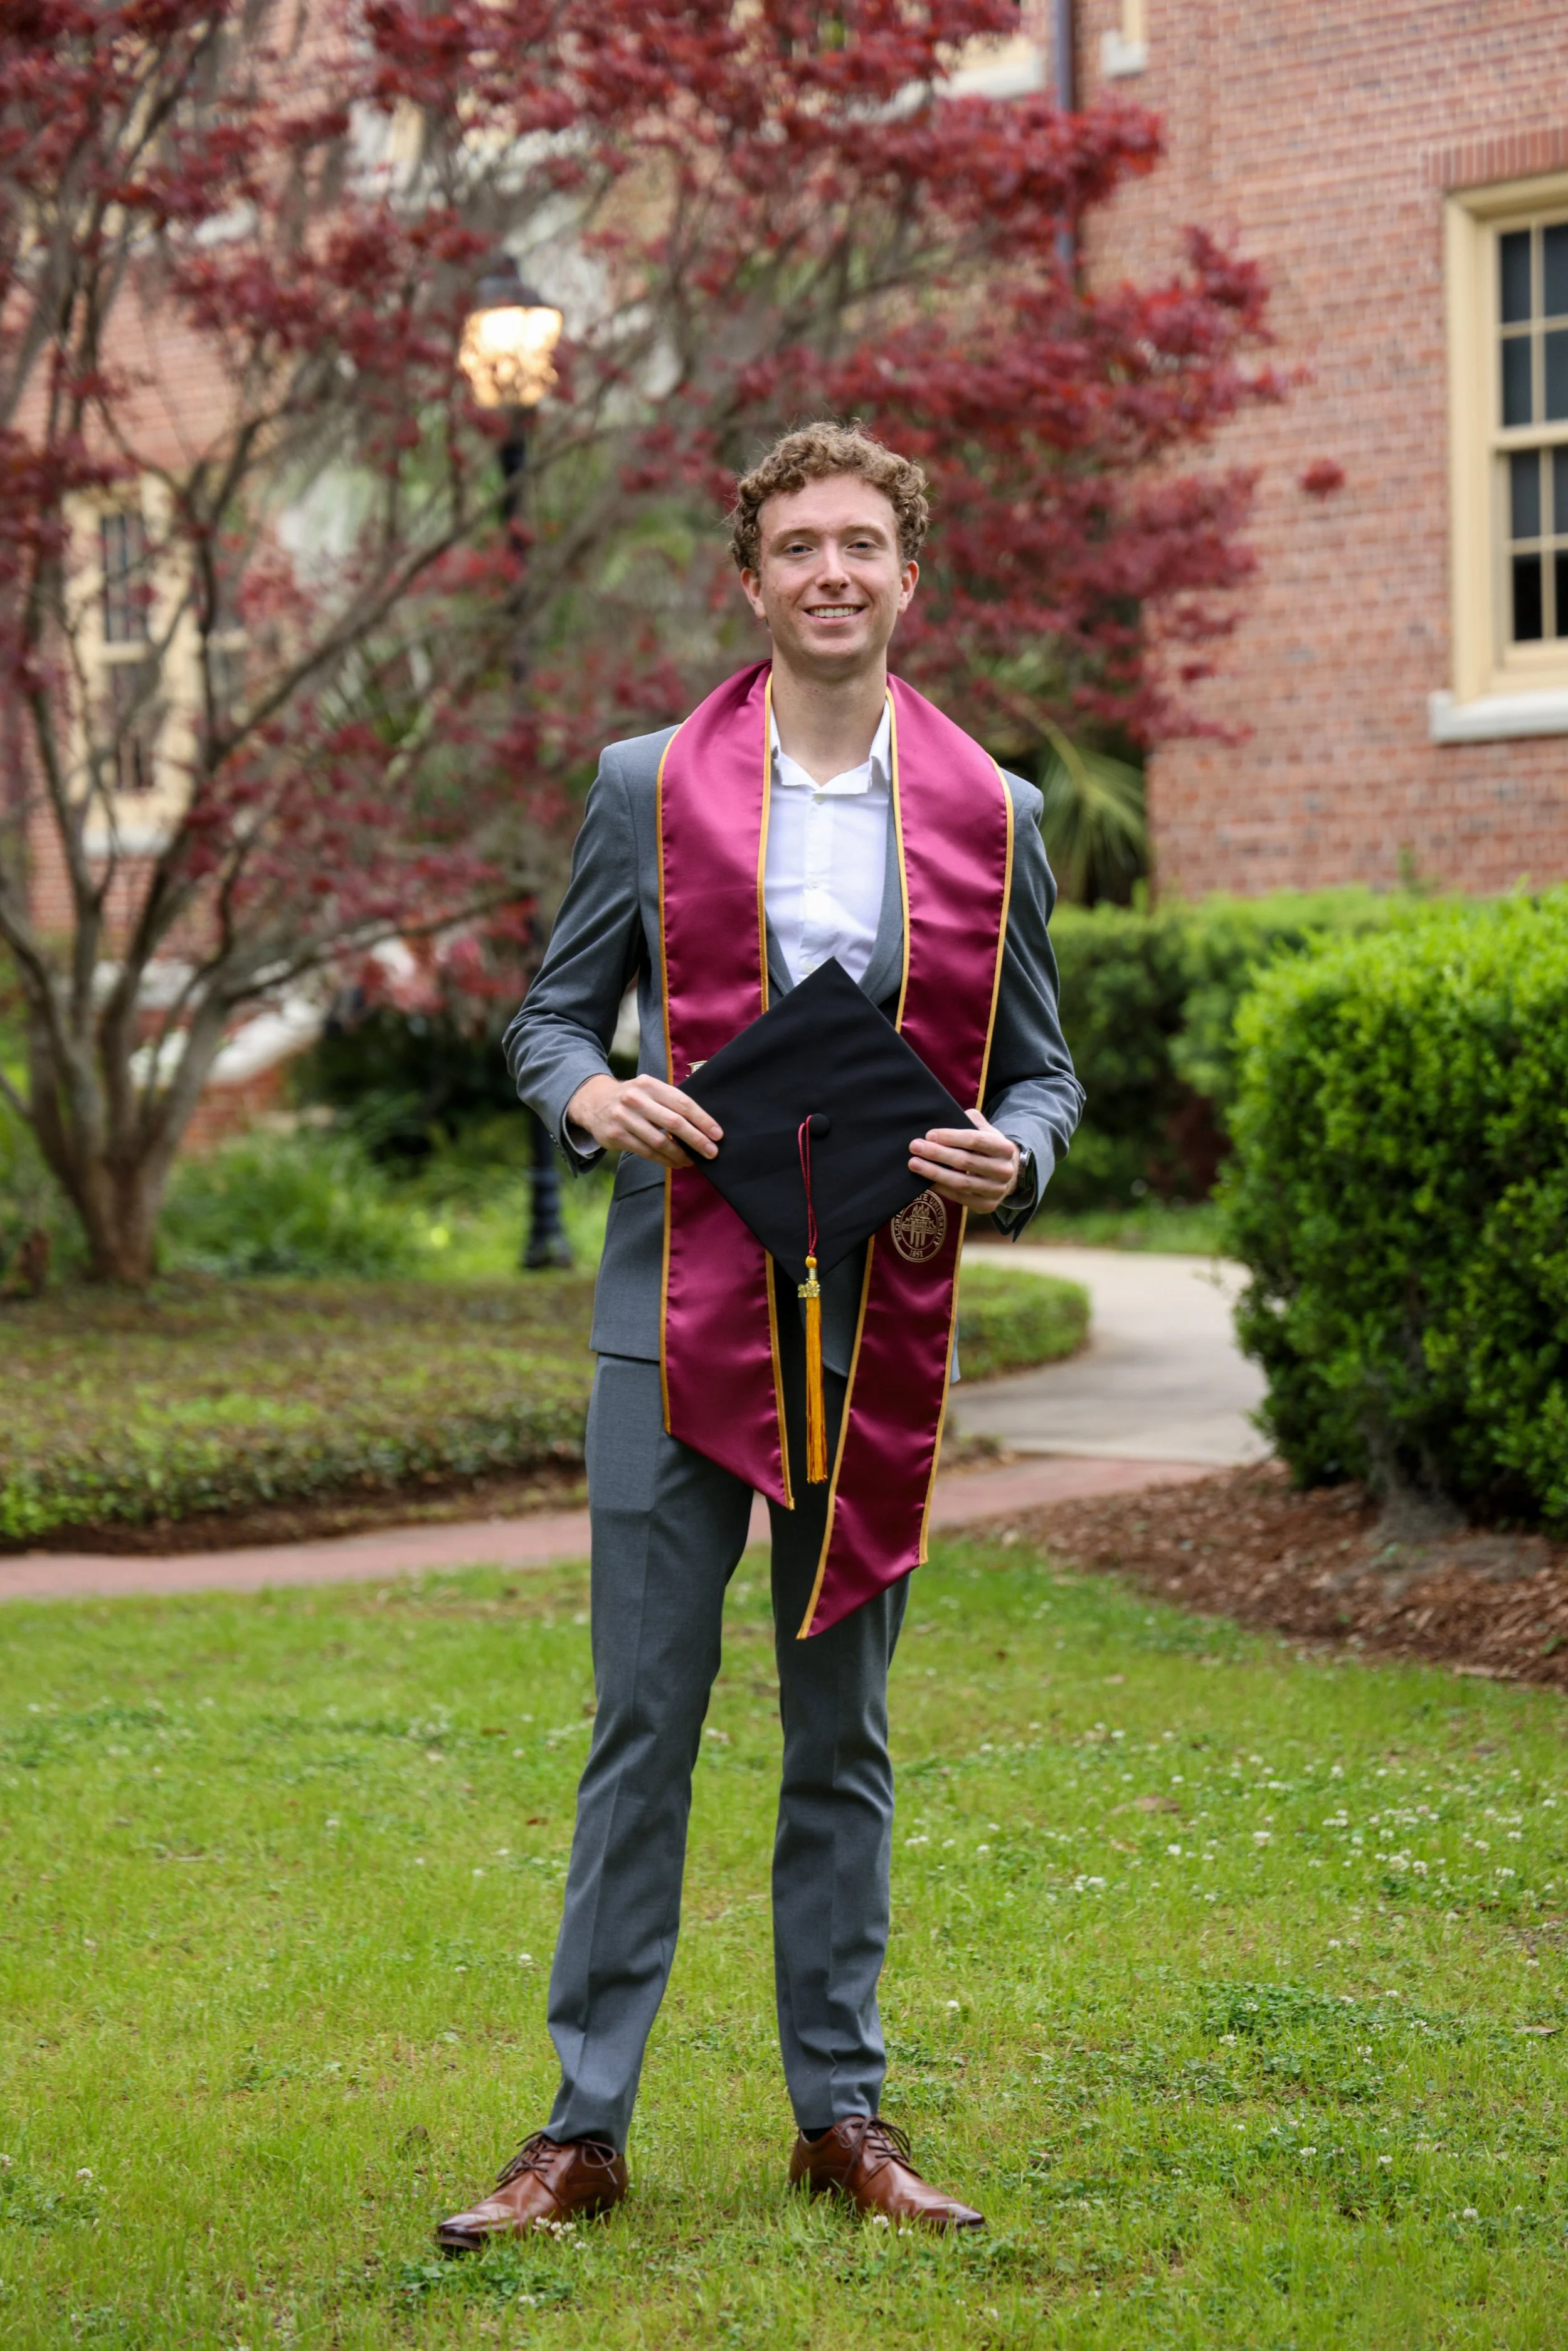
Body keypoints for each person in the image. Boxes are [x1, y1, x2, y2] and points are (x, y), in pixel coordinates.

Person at [439, 423, 1082, 2248]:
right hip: (672, 1308)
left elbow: (1039, 1069)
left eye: (860, 542)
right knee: (643, 1718)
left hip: (871, 1319)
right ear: (749, 578)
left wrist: (1009, 1151)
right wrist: (595, 1102)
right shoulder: (644, 782)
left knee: (841, 1731)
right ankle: (580, 2128)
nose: (828, 570)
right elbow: (551, 1019)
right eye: (796, 542)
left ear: (906, 573)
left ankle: (842, 2110)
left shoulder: (991, 812)